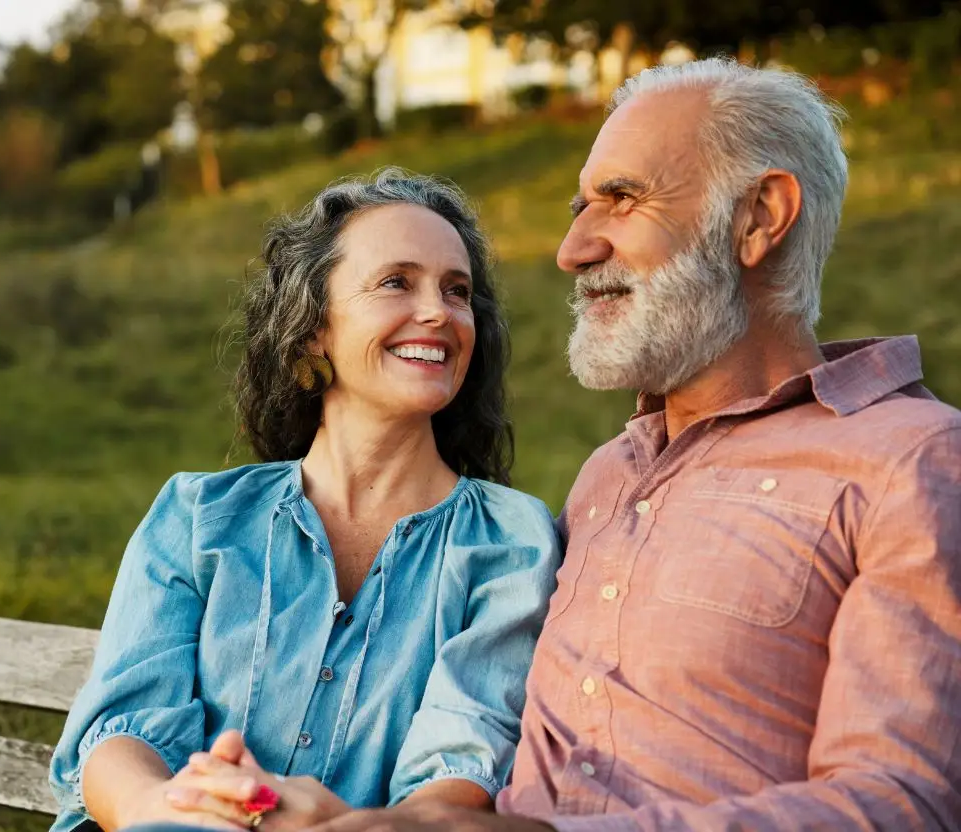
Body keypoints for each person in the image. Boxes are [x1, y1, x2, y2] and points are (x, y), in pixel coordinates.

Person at [295, 57, 961, 832]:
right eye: (580, 206)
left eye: (621, 199)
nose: (572, 248)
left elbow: (901, 804)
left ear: (759, 218)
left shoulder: (913, 462)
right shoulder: (606, 477)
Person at [45, 170, 562, 831]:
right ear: (314, 328)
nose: (439, 312)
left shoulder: (508, 542)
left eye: (457, 291)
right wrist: (172, 808)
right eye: (397, 282)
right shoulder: (198, 517)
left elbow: (459, 771)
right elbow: (122, 733)